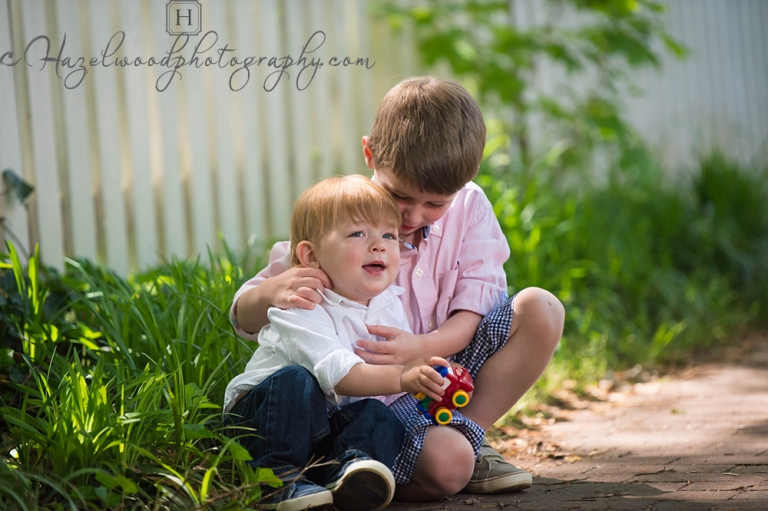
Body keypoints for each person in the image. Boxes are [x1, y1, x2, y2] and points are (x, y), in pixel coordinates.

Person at [232, 77, 565, 501]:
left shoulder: (470, 206)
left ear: (466, 179)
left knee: (542, 307)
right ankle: (369, 463)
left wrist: (421, 348)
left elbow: (475, 308)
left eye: (435, 204)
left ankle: (468, 433)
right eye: (400, 195)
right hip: (371, 396)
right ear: (370, 152)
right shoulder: (346, 211)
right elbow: (246, 317)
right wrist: (269, 293)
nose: (413, 215)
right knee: (448, 469)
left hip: (441, 367)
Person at [225, 175, 452, 511]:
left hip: (323, 426)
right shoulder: (302, 305)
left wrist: (429, 375)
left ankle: (347, 471)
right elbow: (343, 375)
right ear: (311, 255)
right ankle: (273, 478)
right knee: (296, 380)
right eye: (358, 233)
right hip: (263, 422)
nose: (378, 245)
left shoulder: (389, 303)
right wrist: (404, 374)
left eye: (388, 235)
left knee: (381, 413)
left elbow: (381, 384)